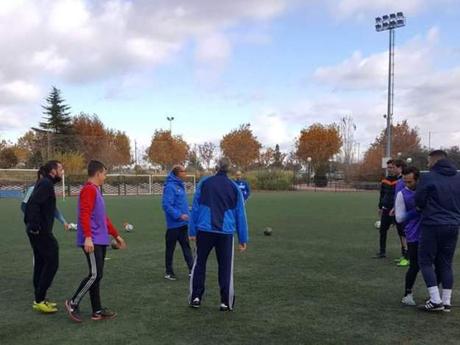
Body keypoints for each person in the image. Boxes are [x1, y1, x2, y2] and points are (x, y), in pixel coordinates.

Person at [65, 160, 126, 322]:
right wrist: (88, 237)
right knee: (94, 274)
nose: (105, 177)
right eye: (104, 174)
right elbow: (84, 214)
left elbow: (103, 217)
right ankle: (72, 303)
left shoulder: (97, 191)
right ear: (98, 173)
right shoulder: (89, 190)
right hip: (92, 239)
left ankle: (97, 310)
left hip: (100, 239)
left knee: (97, 275)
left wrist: (116, 235)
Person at [188, 157, 248, 311]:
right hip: (225, 233)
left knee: (199, 264)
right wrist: (243, 238)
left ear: (216, 167)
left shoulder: (204, 183)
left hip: (204, 231)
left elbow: (195, 207)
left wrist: (192, 230)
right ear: (229, 169)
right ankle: (225, 302)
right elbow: (240, 214)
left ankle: (196, 297)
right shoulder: (234, 188)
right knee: (225, 267)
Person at [415, 150, 460, 312]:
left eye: (428, 161)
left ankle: (435, 300)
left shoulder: (428, 177)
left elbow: (419, 199)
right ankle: (446, 301)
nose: (427, 165)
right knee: (446, 263)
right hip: (453, 225)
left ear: (434, 161)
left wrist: (421, 208)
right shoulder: (458, 177)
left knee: (425, 261)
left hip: (432, 224)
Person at [23, 160, 64, 313]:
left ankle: (39, 299)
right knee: (52, 261)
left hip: (38, 230)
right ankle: (40, 299)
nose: (62, 171)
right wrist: (34, 226)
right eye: (60, 168)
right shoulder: (46, 184)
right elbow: (32, 204)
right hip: (39, 231)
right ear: (53, 171)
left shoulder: (46, 183)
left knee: (41, 262)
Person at [161, 165, 194, 280]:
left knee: (186, 247)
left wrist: (188, 209)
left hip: (183, 224)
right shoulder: (170, 187)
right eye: (183, 171)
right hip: (173, 225)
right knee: (170, 249)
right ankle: (169, 272)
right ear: (177, 173)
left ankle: (192, 270)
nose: (185, 173)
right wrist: (179, 215)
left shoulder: (180, 186)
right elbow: (166, 205)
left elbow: (179, 203)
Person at [395, 166, 421, 306]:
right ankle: (408, 294)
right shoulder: (401, 194)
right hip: (413, 234)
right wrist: (416, 211)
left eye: (410, 182)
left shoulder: (425, 191)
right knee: (415, 266)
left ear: (417, 179)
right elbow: (399, 218)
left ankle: (435, 297)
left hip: (431, 233)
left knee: (436, 265)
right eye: (405, 181)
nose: (407, 185)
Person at [21, 166, 70, 230]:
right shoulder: (32, 189)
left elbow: (53, 209)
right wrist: (34, 219)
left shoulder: (48, 189)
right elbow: (24, 206)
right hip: (36, 225)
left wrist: (64, 222)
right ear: (41, 176)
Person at [374, 159, 400, 259]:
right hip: (386, 209)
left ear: (396, 167)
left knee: (402, 233)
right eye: (388, 167)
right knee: (382, 231)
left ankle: (405, 254)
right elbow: (382, 194)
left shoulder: (400, 180)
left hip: (397, 210)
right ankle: (382, 252)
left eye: (392, 167)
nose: (390, 169)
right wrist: (380, 207)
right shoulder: (385, 180)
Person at [391, 159, 409, 267]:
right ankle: (404, 255)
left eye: (394, 167)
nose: (392, 169)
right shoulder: (398, 180)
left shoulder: (405, 180)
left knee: (405, 235)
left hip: (404, 212)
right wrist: (394, 207)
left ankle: (408, 257)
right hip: (398, 211)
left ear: (400, 168)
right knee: (401, 234)